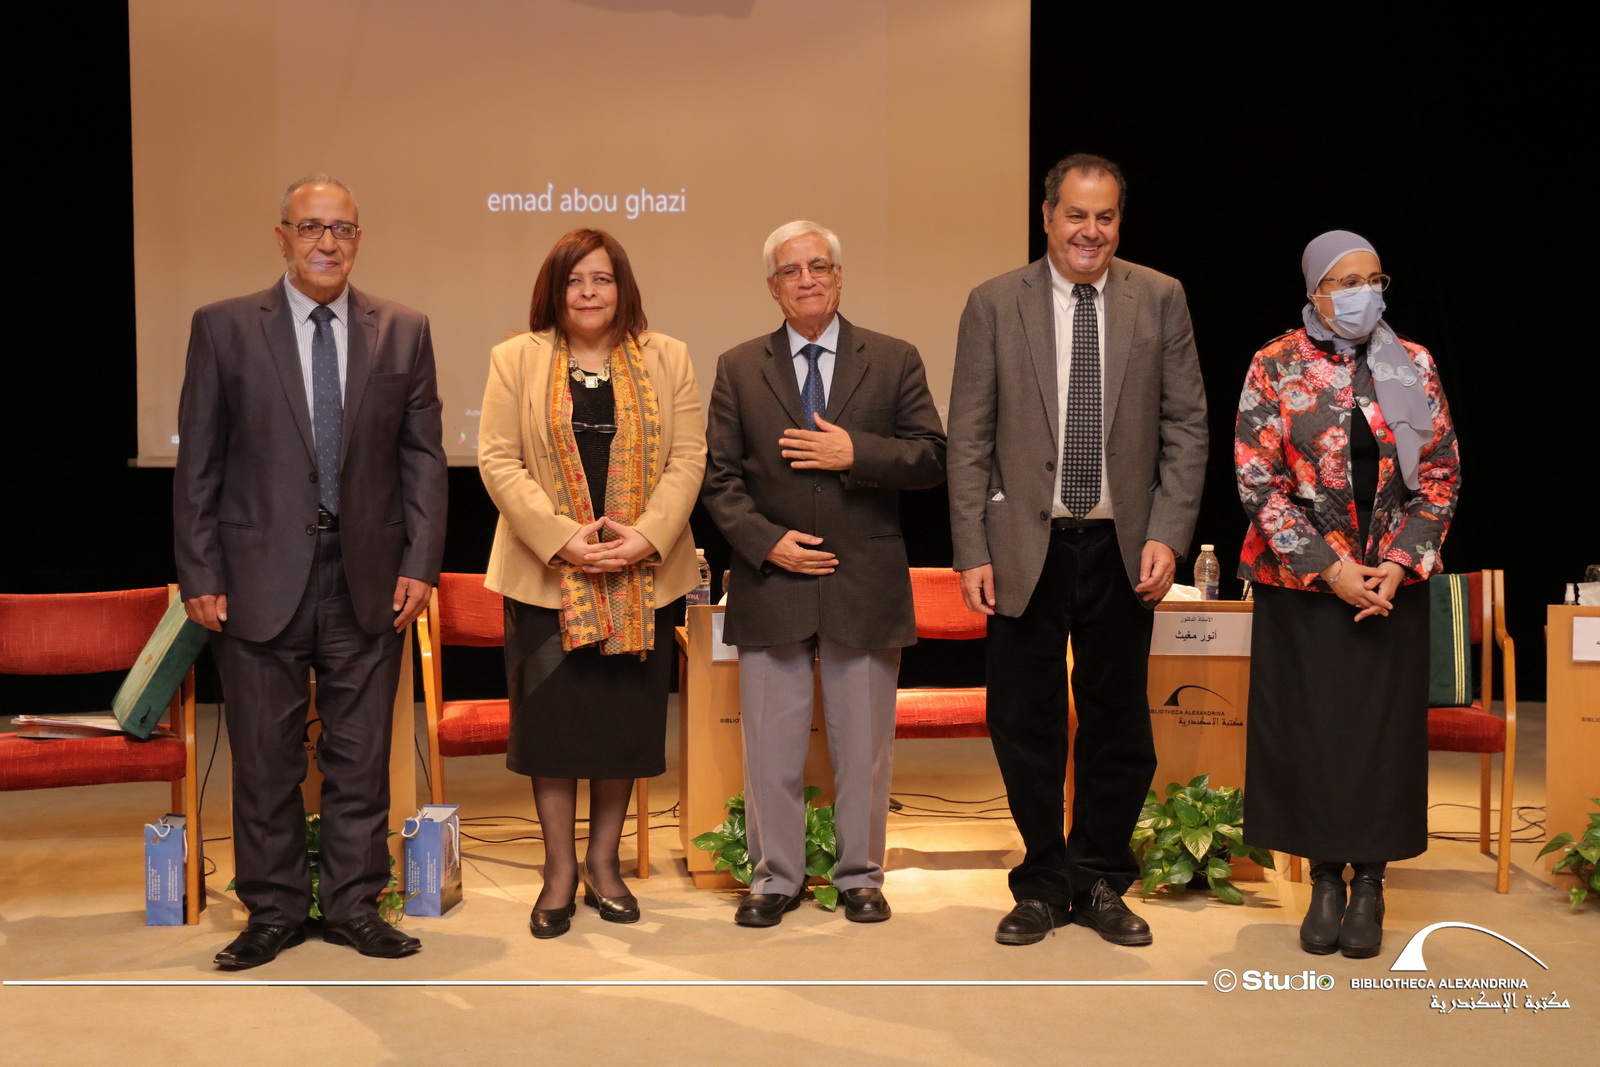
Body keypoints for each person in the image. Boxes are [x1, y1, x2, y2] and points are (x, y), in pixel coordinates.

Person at [174, 175, 448, 969]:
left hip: (370, 574)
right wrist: (200, 570)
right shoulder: (224, 327)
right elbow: (199, 462)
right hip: (255, 574)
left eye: (342, 229)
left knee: (360, 754)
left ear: (358, 239)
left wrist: (421, 563)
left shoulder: (404, 329)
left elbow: (423, 460)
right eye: (311, 227)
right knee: (265, 756)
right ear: (282, 236)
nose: (327, 242)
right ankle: (274, 910)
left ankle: (356, 904)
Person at [947, 154, 1207, 947]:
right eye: (1076, 215)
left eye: (1105, 216)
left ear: (1118, 222)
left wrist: (1167, 531)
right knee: (1023, 721)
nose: (1090, 231)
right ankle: (1041, 881)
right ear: (1047, 216)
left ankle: (1098, 880)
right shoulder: (994, 302)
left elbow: (1186, 425)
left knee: (1118, 722)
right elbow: (970, 438)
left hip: (1124, 548)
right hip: (1025, 545)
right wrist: (971, 547)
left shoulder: (1159, 297)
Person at [701, 220, 946, 927]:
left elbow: (932, 455)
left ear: (839, 277)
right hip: (772, 579)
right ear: (772, 287)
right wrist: (768, 543)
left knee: (863, 749)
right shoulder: (738, 366)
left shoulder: (894, 358)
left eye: (818, 266)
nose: (806, 279)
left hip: (863, 580)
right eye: (791, 270)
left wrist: (855, 453)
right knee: (770, 749)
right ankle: (775, 878)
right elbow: (719, 478)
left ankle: (860, 876)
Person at [1235, 230, 1459, 959]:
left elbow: (1440, 476)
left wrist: (1397, 561)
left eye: (1375, 279)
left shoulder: (1412, 363)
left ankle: (1370, 883)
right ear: (1315, 293)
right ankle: (1325, 880)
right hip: (1306, 586)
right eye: (1348, 281)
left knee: (1380, 739)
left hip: (1391, 585)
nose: (1366, 294)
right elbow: (1258, 481)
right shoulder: (1275, 363)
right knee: (1316, 734)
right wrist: (1331, 569)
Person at [478, 229, 705, 939]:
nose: (588, 292)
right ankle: (558, 871)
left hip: (643, 576)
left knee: (620, 728)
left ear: (621, 287)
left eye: (601, 279)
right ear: (555, 288)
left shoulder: (669, 356)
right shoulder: (515, 358)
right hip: (545, 579)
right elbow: (498, 459)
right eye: (574, 279)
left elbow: (689, 458)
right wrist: (561, 539)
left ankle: (604, 864)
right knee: (552, 731)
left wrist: (648, 535)